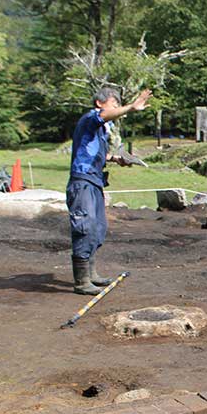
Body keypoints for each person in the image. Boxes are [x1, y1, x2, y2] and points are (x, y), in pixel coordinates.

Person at [66, 86, 150, 295]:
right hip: (82, 181)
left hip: (95, 181)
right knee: (84, 226)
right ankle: (82, 281)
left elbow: (92, 152)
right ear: (99, 103)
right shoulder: (90, 118)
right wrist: (131, 107)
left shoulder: (99, 130)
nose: (116, 109)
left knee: (97, 228)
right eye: (114, 104)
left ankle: (91, 273)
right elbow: (104, 116)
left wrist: (115, 158)